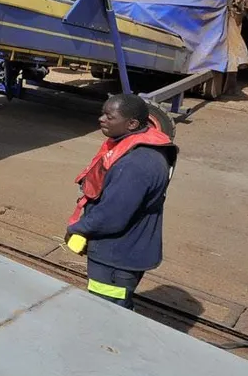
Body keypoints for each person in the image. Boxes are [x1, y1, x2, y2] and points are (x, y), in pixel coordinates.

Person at [65, 93, 178, 308]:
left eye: (109, 116)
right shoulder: (147, 149)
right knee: (116, 307)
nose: (101, 119)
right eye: (102, 114)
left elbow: (111, 216)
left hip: (116, 258)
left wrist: (77, 229)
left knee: (104, 310)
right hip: (129, 249)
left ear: (132, 124)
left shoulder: (135, 164)